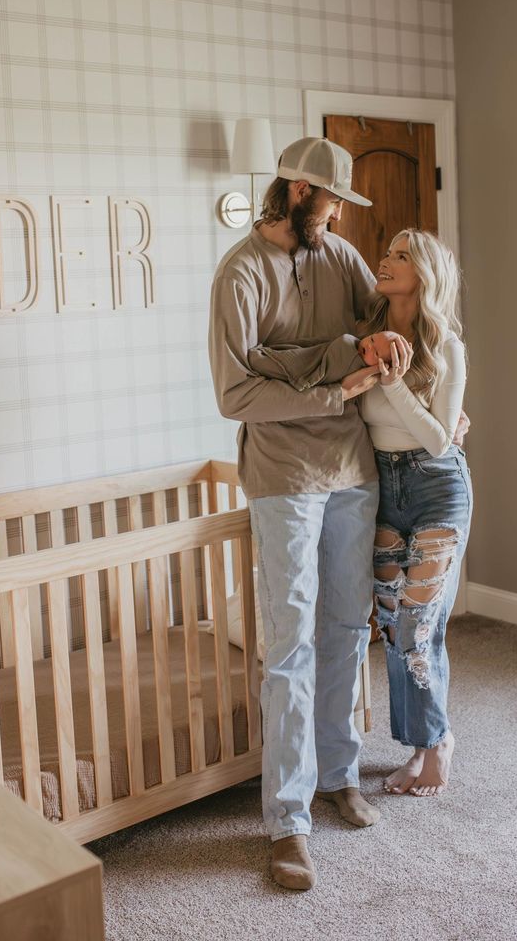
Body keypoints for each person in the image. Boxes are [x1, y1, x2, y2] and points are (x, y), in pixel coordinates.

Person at [208, 137, 396, 892]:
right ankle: (287, 820)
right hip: (285, 473)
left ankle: (338, 773)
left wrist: (316, 358)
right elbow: (234, 393)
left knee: (348, 629)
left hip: (354, 468)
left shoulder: (341, 257)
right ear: (293, 191)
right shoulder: (240, 273)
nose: (339, 214)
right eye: (330, 201)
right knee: (289, 641)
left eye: (343, 204)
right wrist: (330, 380)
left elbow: (374, 342)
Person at [357, 229, 472, 797]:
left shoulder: (445, 345)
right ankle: (421, 743)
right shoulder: (365, 336)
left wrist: (394, 382)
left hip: (436, 490)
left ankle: (436, 742)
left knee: (417, 625)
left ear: (424, 275)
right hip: (384, 489)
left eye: (401, 256)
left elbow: (436, 442)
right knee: (391, 624)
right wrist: (371, 367)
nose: (386, 260)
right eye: (388, 253)